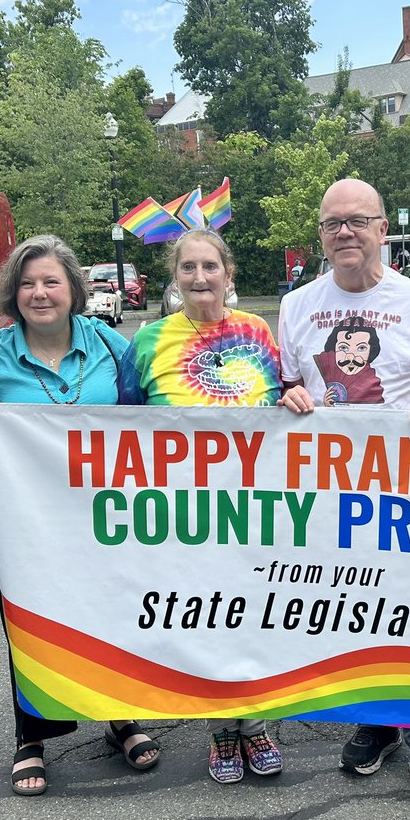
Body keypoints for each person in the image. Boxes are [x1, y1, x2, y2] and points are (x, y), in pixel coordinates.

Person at [277, 178, 410, 808]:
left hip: (409, 491)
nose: (346, 232)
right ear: (322, 235)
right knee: (358, 610)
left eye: (359, 221)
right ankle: (380, 720)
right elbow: (287, 391)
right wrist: (291, 397)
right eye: (333, 223)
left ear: (384, 229)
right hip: (331, 492)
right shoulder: (298, 304)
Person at [0, 234, 159, 797]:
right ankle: (31, 738)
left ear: (74, 289)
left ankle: (121, 718)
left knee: (110, 615)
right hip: (24, 523)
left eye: (51, 282)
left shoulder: (111, 347)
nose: (39, 293)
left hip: (104, 514)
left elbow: (143, 423)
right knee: (30, 625)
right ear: (11, 293)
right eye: (27, 284)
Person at [117, 227, 284, 784]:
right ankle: (219, 728)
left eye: (210, 266)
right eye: (188, 268)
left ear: (228, 274)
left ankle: (256, 724)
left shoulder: (259, 331)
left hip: (256, 506)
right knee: (209, 619)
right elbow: (121, 426)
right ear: (175, 277)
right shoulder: (148, 341)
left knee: (257, 618)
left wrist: (296, 398)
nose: (200, 278)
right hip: (184, 514)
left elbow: (282, 405)